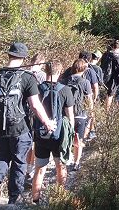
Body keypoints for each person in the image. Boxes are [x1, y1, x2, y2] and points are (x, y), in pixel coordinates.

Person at [0, 42, 56, 206]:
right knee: (19, 162)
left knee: (1, 158)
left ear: (9, 55)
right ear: (24, 58)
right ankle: (13, 200)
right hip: (20, 128)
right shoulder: (27, 77)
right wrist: (47, 123)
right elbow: (35, 105)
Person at [31, 60, 74, 205]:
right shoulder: (65, 90)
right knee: (60, 166)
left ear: (46, 70)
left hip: (41, 134)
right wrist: (72, 135)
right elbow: (70, 115)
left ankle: (35, 200)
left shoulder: (37, 88)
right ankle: (59, 199)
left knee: (39, 169)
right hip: (59, 136)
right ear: (59, 72)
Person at [63, 59, 93, 171]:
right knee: (78, 140)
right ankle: (76, 162)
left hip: (65, 114)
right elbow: (89, 100)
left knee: (66, 138)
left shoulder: (64, 81)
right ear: (84, 69)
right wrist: (91, 114)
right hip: (80, 114)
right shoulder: (85, 82)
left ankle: (64, 160)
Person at [25, 53, 47, 181]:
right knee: (36, 142)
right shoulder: (43, 76)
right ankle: (32, 172)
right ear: (41, 63)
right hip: (37, 111)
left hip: (24, 111)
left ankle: (27, 168)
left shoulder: (24, 73)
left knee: (28, 142)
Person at [100, 40, 119, 110]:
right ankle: (106, 110)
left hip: (104, 77)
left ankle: (101, 107)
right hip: (113, 78)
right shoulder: (118, 57)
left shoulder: (105, 54)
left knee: (104, 93)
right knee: (110, 95)